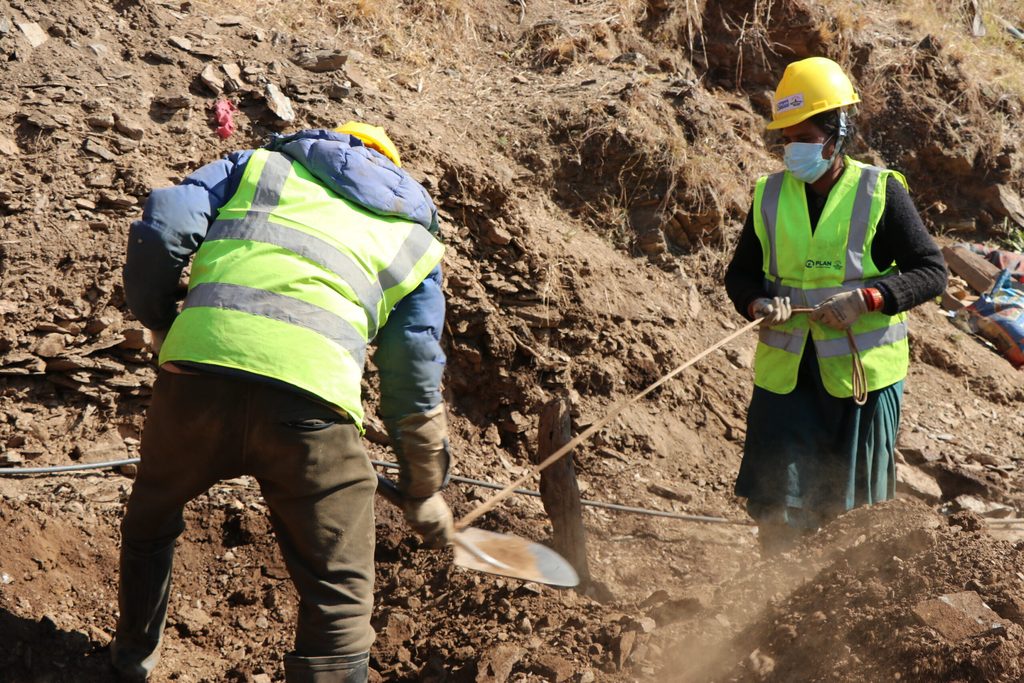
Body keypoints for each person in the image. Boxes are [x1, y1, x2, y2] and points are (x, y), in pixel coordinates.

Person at [112, 122, 453, 682]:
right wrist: (423, 484)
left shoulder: (257, 167)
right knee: (339, 594)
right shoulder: (414, 235)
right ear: (391, 168)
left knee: (151, 517)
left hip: (200, 372)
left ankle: (130, 663)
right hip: (313, 404)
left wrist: (159, 322)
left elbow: (163, 224)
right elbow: (412, 368)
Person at [724, 57, 947, 553]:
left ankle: (840, 610)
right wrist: (757, 302)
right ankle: (772, 604)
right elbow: (739, 275)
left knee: (850, 518)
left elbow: (931, 272)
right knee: (779, 507)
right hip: (786, 381)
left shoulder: (879, 191)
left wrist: (869, 298)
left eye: (802, 137)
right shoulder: (769, 195)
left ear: (836, 132)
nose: (793, 150)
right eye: (786, 138)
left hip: (857, 383)